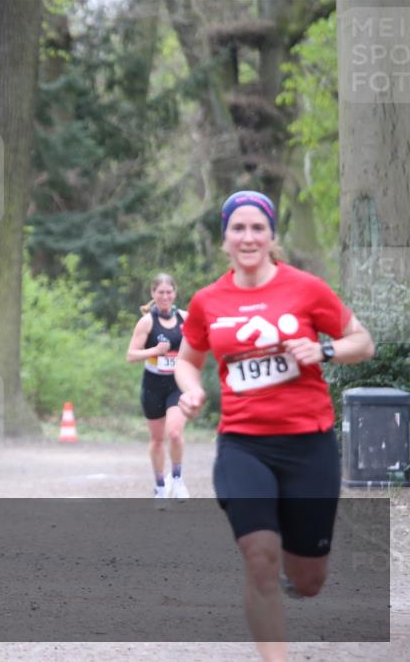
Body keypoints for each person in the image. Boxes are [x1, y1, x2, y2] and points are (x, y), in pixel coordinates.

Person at [174, 190, 374, 662]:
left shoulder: (306, 288)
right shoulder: (207, 301)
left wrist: (324, 350)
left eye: (257, 228)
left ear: (271, 236)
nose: (247, 237)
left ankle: (299, 571)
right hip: (244, 445)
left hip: (309, 445)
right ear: (224, 239)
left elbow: (362, 341)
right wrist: (191, 389)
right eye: (237, 229)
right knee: (259, 558)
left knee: (309, 582)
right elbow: (187, 360)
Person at [126, 273, 190, 508]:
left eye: (169, 292)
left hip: (177, 385)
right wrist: (153, 350)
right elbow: (130, 355)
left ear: (175, 293)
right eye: (160, 292)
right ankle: (160, 486)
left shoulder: (186, 318)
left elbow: (198, 348)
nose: (165, 296)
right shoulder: (147, 322)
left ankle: (178, 478)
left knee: (174, 433)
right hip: (153, 386)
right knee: (156, 439)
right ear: (153, 294)